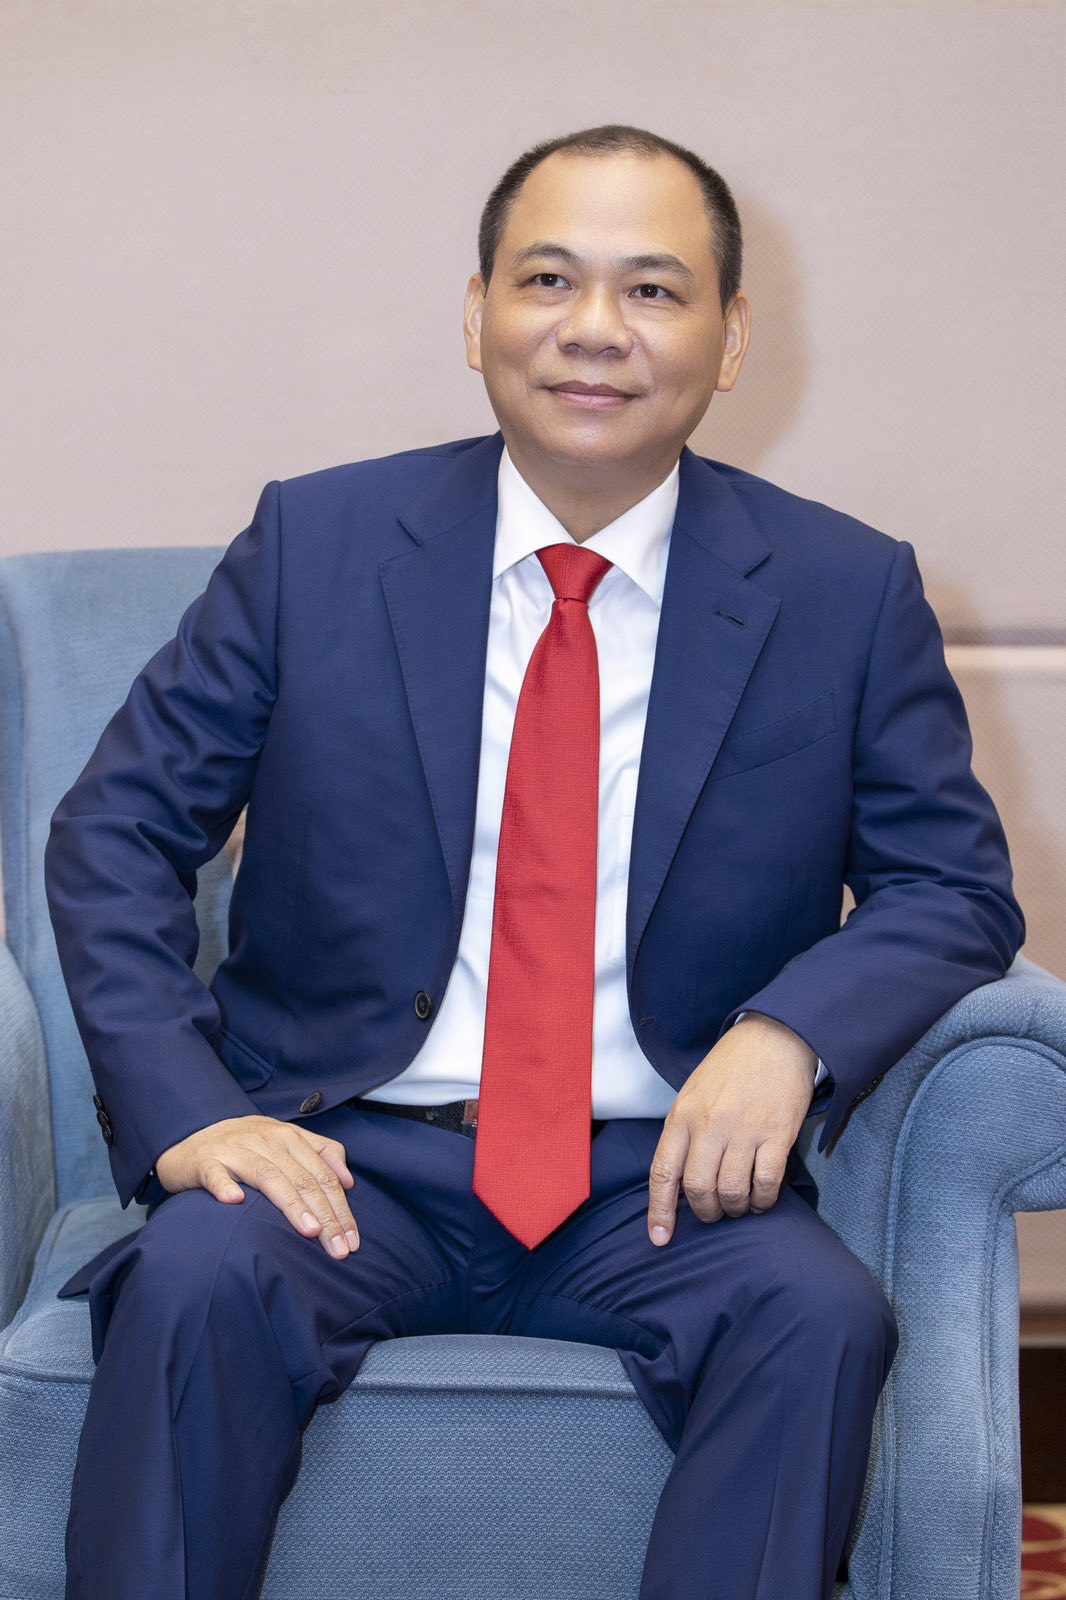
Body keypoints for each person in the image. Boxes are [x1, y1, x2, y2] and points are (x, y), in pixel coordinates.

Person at [46, 122, 1025, 1600]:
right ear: (476, 313)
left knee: (818, 1316)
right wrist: (191, 1115)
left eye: (652, 289)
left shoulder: (843, 588)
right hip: (345, 1152)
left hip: (661, 1178)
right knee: (195, 1280)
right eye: (548, 279)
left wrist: (789, 1035)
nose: (593, 329)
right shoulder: (317, 542)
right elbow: (115, 830)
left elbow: (950, 885)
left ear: (730, 336)